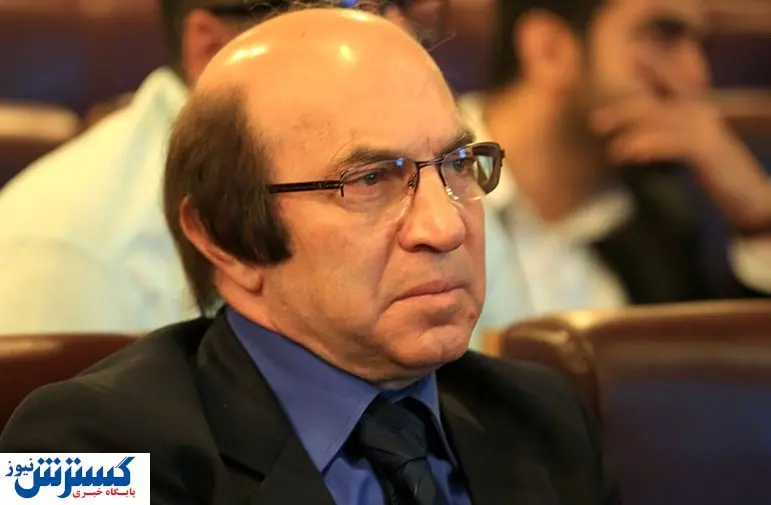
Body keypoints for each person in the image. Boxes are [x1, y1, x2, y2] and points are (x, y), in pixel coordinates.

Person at [0, 9, 618, 505]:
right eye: (371, 180)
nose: (446, 225)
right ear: (224, 236)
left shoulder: (542, 418)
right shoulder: (83, 451)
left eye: (457, 165)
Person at [0, 0, 412, 334]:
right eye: (352, 10)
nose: (399, 36)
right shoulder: (75, 254)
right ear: (212, 46)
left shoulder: (417, 156)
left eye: (401, 7)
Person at [468, 0, 771, 341]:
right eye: (662, 34)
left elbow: (719, 366)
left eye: (701, 45)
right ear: (549, 50)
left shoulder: (668, 222)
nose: (696, 75)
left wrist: (759, 216)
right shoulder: (426, 181)